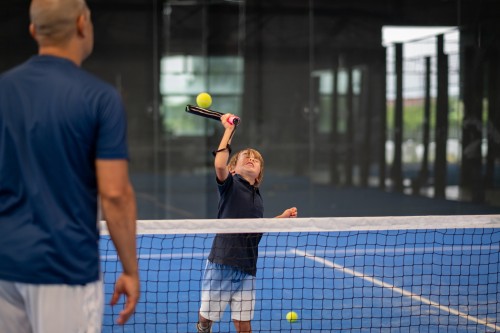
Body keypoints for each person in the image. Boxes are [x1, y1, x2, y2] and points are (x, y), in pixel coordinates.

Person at [0, 0, 139, 332]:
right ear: (82, 25)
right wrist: (130, 271)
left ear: (34, 31)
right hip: (65, 270)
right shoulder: (101, 99)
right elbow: (116, 193)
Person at [197, 113, 298, 333]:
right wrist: (228, 130)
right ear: (233, 169)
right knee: (207, 319)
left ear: (260, 173)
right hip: (222, 262)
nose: (252, 159)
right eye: (246, 157)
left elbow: (256, 227)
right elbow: (219, 163)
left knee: (244, 324)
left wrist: (281, 218)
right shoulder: (230, 184)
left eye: (256, 159)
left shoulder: (257, 196)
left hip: (247, 268)